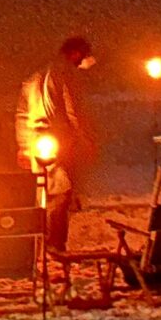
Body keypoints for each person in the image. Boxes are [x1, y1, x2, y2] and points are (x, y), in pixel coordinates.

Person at [16, 34, 96, 251]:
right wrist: (85, 138)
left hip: (35, 143)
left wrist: (24, 146)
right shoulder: (65, 73)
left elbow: (22, 114)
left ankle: (41, 242)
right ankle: (55, 245)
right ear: (76, 54)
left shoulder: (34, 77)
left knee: (43, 193)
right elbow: (73, 110)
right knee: (60, 195)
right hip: (58, 142)